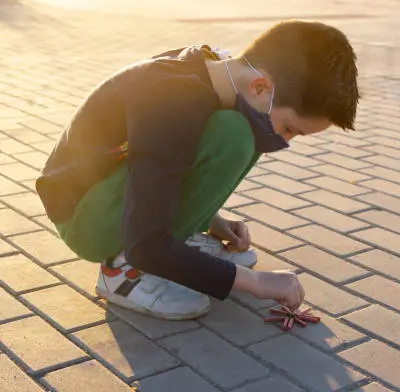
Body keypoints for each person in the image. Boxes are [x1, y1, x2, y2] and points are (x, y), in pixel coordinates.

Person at [35, 20, 360, 320]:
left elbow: (165, 162)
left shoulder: (215, 70)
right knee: (235, 134)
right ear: (260, 87)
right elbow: (145, 243)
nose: (284, 141)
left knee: (243, 131)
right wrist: (254, 282)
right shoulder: (172, 100)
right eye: (290, 128)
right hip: (84, 219)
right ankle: (123, 273)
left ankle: (180, 241)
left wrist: (212, 219)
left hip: (112, 194)